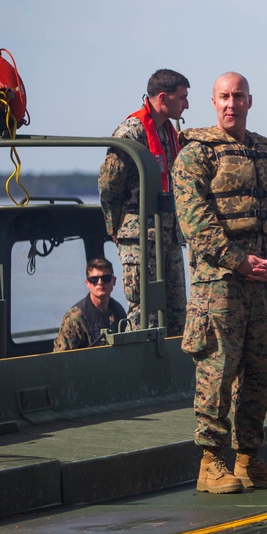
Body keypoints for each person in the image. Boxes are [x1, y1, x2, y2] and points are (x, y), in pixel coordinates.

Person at [173, 72, 267, 494]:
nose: (232, 104)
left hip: (263, 284)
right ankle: (211, 463)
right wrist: (239, 261)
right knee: (217, 372)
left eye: (239, 97)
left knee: (261, 373)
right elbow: (196, 223)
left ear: (249, 101)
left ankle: (249, 460)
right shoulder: (196, 155)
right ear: (213, 102)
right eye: (224, 97)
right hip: (219, 286)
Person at [99, 69, 189, 335]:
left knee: (176, 312)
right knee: (143, 312)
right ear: (163, 98)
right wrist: (113, 227)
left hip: (168, 234)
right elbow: (109, 184)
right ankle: (141, 373)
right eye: (182, 98)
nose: (186, 104)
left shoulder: (169, 131)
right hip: (140, 235)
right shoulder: (131, 131)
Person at [53, 257, 127, 352]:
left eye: (106, 278)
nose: (100, 283)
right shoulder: (74, 318)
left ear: (114, 281)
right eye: (94, 279)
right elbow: (61, 360)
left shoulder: (117, 310)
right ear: (87, 283)